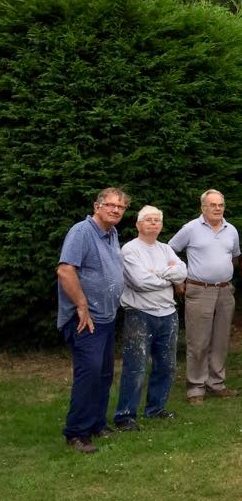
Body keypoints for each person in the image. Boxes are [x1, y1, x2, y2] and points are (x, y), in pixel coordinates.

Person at [57, 187, 130, 454]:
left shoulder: (111, 234)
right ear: (97, 206)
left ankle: (97, 423)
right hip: (87, 319)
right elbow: (65, 271)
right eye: (110, 205)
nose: (115, 210)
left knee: (103, 374)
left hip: (106, 317)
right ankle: (76, 432)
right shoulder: (82, 232)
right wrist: (81, 304)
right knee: (88, 375)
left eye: (120, 208)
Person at [113, 206, 187, 431]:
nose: (154, 223)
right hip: (140, 314)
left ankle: (156, 408)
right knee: (135, 366)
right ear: (138, 225)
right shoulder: (130, 250)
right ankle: (125, 415)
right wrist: (168, 276)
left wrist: (158, 272)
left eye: (157, 220)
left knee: (166, 365)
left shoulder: (165, 249)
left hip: (168, 314)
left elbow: (183, 272)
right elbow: (139, 281)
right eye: (148, 220)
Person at [168, 189, 241, 404]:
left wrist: (222, 274)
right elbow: (169, 250)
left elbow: (235, 257)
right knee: (198, 342)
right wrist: (178, 278)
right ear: (203, 208)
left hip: (225, 291)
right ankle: (196, 388)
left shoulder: (231, 230)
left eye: (221, 205)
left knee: (220, 340)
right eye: (213, 205)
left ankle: (216, 383)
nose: (218, 208)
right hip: (199, 290)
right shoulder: (191, 229)